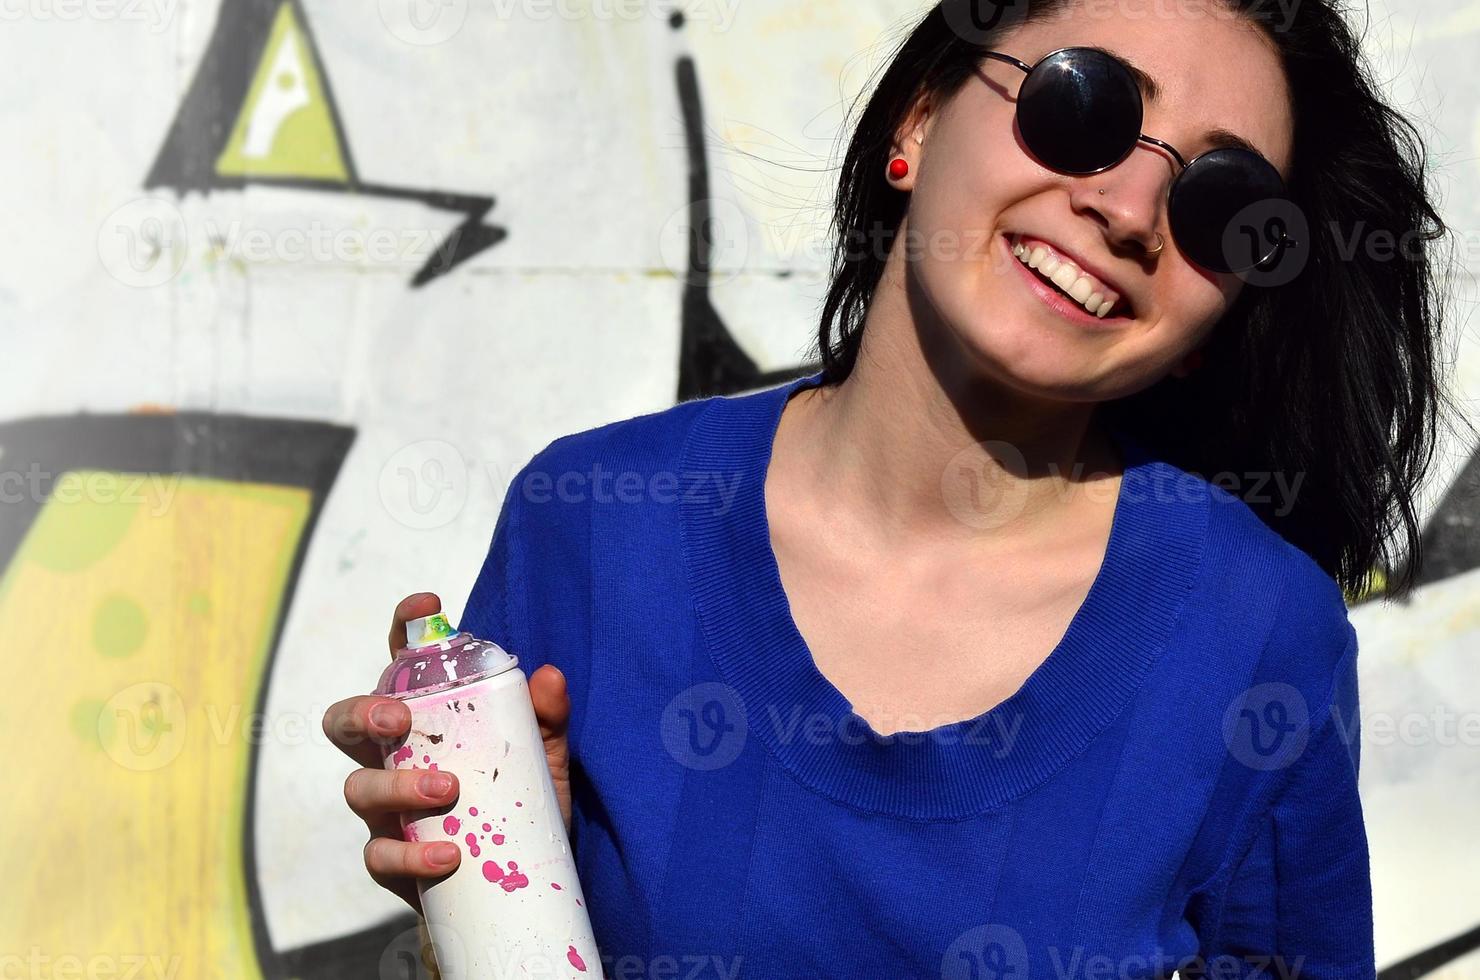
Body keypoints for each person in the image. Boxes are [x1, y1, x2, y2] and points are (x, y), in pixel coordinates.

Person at [324, 0, 1464, 975]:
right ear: (920, 115)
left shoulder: (1256, 628)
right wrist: (478, 911)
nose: (1125, 210)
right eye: (1085, 106)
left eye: (1220, 206)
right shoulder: (591, 520)